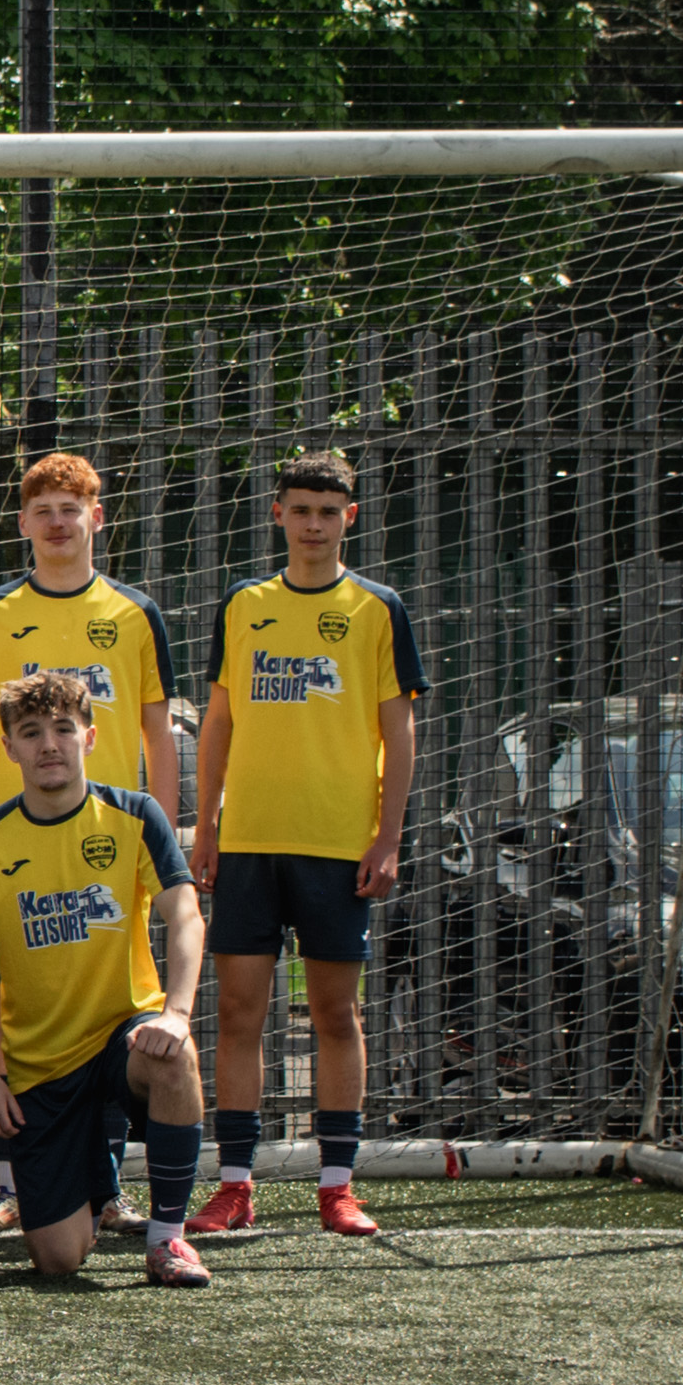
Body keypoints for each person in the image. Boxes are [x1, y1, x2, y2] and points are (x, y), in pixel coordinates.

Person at [188, 451, 424, 1240]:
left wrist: (388, 837)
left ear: (348, 516)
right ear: (278, 514)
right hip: (251, 840)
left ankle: (337, 1186)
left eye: (329, 510)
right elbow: (217, 721)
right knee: (243, 1015)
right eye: (301, 509)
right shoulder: (245, 602)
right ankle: (233, 1185)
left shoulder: (377, 608)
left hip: (336, 844)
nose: (314, 523)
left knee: (333, 1012)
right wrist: (211, 826)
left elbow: (399, 725)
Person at [0, 451, 178, 1237]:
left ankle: (108, 1189)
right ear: (24, 524)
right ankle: (14, 1181)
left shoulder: (133, 613)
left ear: (96, 519)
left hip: (111, 841)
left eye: (70, 509)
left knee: (112, 992)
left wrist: (167, 834)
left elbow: (157, 730)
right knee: (16, 1001)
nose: (56, 522)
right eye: (42, 509)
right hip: (16, 844)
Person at [0, 669, 212, 1287]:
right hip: (41, 1063)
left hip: (125, 1033)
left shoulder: (135, 815)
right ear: (8, 747)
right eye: (31, 732)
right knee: (59, 1259)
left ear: (89, 737)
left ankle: (167, 1240)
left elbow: (183, 914)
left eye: (63, 729)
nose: (48, 745)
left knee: (174, 1059)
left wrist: (175, 1013)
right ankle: (95, 1179)